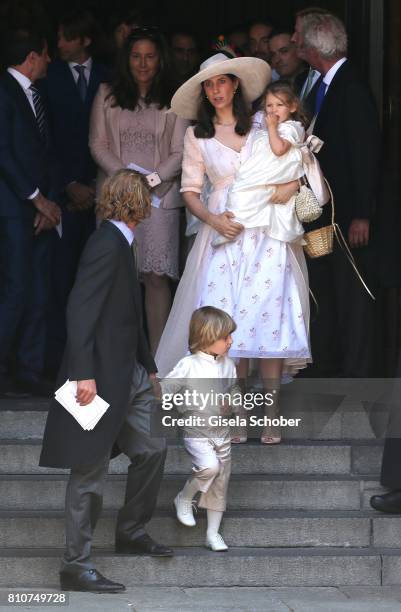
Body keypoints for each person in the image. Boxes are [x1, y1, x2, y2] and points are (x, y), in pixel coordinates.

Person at [155, 52, 311, 445]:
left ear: (235, 84)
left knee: (270, 319)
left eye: (222, 81)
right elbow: (190, 191)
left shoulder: (262, 124)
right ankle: (238, 411)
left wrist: (291, 187)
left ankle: (271, 414)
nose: (216, 89)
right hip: (224, 234)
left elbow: (293, 163)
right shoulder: (197, 136)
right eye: (208, 84)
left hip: (268, 234)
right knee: (229, 325)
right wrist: (212, 219)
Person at [39, 169, 172, 594]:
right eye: (148, 196)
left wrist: (149, 366)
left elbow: (128, 317)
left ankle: (131, 532)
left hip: (129, 375)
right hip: (97, 377)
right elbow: (80, 309)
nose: (153, 203)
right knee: (89, 471)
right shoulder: (105, 244)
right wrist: (83, 374)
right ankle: (75, 565)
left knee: (153, 448)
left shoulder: (122, 242)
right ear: (135, 201)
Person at [89, 27, 189, 354]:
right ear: (126, 59)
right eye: (136, 56)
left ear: (160, 59)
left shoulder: (175, 98)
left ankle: (157, 363)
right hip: (117, 199)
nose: (143, 64)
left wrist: (149, 182)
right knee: (119, 279)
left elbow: (179, 152)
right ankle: (120, 359)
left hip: (160, 199)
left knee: (156, 277)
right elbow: (97, 144)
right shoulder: (106, 93)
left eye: (149, 56)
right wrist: (129, 183)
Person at [292, 10, 380, 377]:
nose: (294, 40)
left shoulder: (351, 87)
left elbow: (365, 154)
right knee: (326, 291)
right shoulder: (318, 82)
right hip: (321, 214)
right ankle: (328, 368)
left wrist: (362, 214)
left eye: (298, 36)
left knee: (352, 296)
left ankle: (357, 377)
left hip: (346, 218)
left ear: (314, 45)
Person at [43, 9, 110, 374]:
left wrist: (98, 187)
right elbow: (44, 137)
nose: (59, 44)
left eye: (67, 37)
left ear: (84, 40)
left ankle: (98, 359)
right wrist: (68, 183)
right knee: (61, 277)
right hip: (64, 194)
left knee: (98, 278)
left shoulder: (108, 76)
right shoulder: (48, 77)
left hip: (103, 194)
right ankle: (58, 362)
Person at [0, 28, 61, 397]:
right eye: (45, 53)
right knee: (15, 290)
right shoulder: (3, 91)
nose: (50, 60)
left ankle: (29, 369)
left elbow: (45, 154)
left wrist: (47, 203)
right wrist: (37, 199)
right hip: (12, 211)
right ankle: (4, 369)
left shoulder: (37, 94)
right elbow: (3, 153)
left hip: (39, 212)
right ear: (32, 57)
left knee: (39, 290)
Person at [160, 306, 239, 551]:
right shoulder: (188, 365)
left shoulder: (229, 365)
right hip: (197, 431)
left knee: (220, 480)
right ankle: (184, 497)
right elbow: (166, 391)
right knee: (209, 467)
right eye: (225, 337)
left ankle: (212, 534)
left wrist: (232, 403)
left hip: (222, 433)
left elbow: (235, 391)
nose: (231, 341)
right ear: (207, 336)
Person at [212, 81, 307, 248]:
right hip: (264, 169)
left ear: (292, 107)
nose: (273, 109)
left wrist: (271, 127)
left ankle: (236, 225)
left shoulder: (292, 128)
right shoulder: (271, 127)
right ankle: (235, 224)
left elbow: (279, 149)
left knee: (244, 190)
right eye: (269, 105)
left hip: (277, 171)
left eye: (280, 105)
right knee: (238, 191)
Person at [268, 29, 308, 94]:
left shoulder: (314, 82)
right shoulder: (269, 87)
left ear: (299, 49)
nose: (277, 60)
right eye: (273, 54)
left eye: (284, 51)